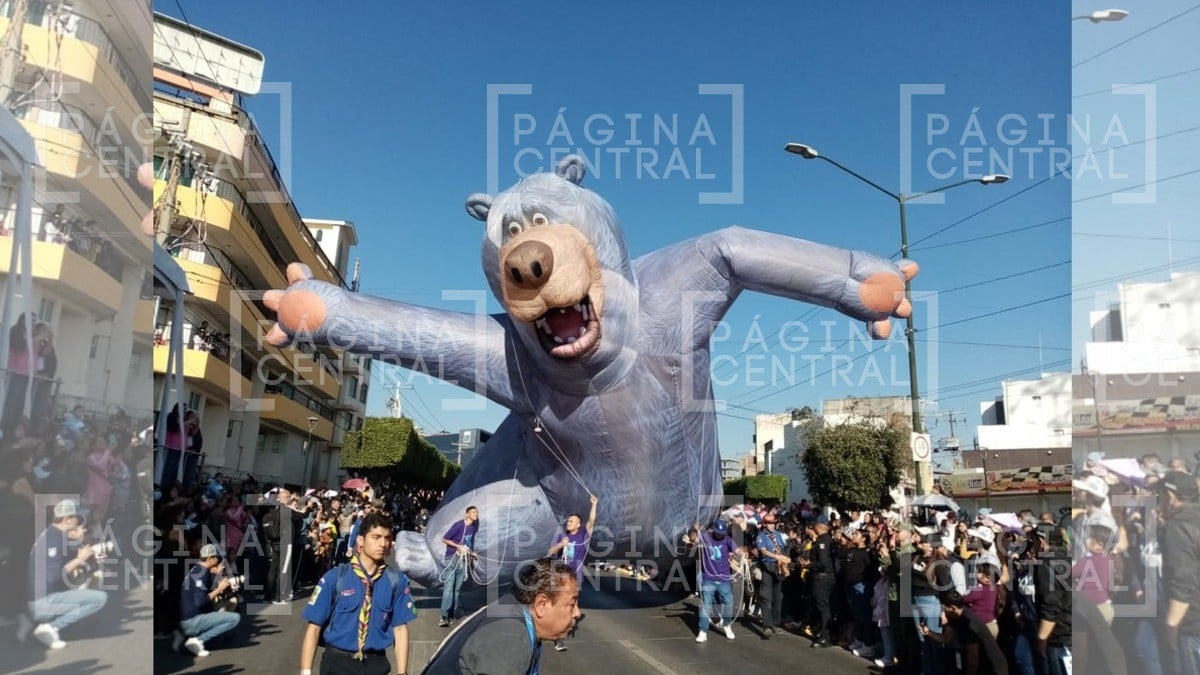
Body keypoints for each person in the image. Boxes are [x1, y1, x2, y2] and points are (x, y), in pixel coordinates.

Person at [421, 557, 581, 674]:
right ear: (542, 605)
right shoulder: (511, 639)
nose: (577, 613)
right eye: (572, 604)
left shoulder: (512, 608)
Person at [301, 512, 415, 675]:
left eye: (387, 538)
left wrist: (402, 672)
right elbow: (313, 628)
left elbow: (400, 629)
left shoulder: (396, 581)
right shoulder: (335, 578)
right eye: (376, 537)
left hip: (375, 664)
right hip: (337, 663)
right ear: (361, 540)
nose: (383, 543)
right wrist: (306, 672)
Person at [18, 500, 108, 649]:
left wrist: (92, 556)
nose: (80, 522)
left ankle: (30, 620)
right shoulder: (53, 540)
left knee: (78, 619)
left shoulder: (54, 535)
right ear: (68, 519)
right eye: (77, 518)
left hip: (39, 601)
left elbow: (70, 558)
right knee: (99, 599)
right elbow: (53, 576)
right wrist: (80, 559)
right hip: (43, 603)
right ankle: (50, 628)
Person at [1159, 470, 1200, 675]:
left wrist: (1171, 625)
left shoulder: (1178, 526)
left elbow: (1183, 579)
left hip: (1192, 622)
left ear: (1170, 495)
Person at [546, 494, 597, 651]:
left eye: (571, 521)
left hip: (575, 578)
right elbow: (551, 551)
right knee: (562, 607)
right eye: (568, 521)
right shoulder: (562, 536)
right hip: (560, 577)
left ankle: (560, 637)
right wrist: (561, 544)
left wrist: (594, 504)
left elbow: (592, 521)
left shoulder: (583, 535)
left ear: (578, 524)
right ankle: (557, 632)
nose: (568, 523)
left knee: (568, 609)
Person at [173, 544, 241, 657]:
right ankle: (197, 641)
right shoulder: (202, 573)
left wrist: (221, 585)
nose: (220, 563)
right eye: (218, 559)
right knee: (234, 618)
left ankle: (181, 634)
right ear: (210, 558)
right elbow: (200, 602)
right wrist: (219, 589)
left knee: (217, 636)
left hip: (185, 619)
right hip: (192, 621)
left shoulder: (197, 569)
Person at [920, 590, 1008, 675]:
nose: (943, 611)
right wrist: (929, 632)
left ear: (952, 608)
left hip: (993, 668)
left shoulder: (968, 623)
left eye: (944, 608)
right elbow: (946, 639)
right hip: (980, 666)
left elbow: (973, 657)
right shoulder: (955, 617)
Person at [692, 518, 743, 643]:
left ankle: (726, 624)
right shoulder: (706, 537)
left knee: (729, 603)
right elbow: (694, 539)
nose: (720, 535)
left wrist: (742, 554)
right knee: (706, 605)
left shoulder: (728, 540)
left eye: (722, 533)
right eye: (718, 533)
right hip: (708, 578)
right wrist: (695, 530)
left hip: (724, 578)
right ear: (714, 530)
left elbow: (737, 550)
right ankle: (703, 631)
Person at [439, 506, 479, 627]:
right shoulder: (459, 525)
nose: (476, 514)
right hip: (452, 558)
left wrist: (472, 553)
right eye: (473, 512)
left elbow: (468, 544)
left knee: (457, 589)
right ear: (467, 514)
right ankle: (444, 616)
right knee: (449, 587)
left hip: (463, 560)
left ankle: (451, 614)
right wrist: (457, 546)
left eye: (477, 512)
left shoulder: (472, 529)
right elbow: (444, 538)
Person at [754, 512, 789, 637]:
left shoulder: (779, 535)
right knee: (766, 597)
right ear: (764, 524)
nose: (771, 525)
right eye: (769, 523)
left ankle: (775, 623)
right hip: (767, 567)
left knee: (778, 597)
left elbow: (785, 547)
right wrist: (776, 556)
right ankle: (766, 625)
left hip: (778, 568)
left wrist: (785, 559)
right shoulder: (761, 536)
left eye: (773, 523)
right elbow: (763, 551)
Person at [808, 515, 836, 648]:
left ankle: (826, 636)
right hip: (824, 577)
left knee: (823, 607)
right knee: (822, 606)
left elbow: (823, 563)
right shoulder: (823, 540)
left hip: (823, 577)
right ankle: (823, 630)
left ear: (818, 526)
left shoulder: (823, 541)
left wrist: (810, 564)